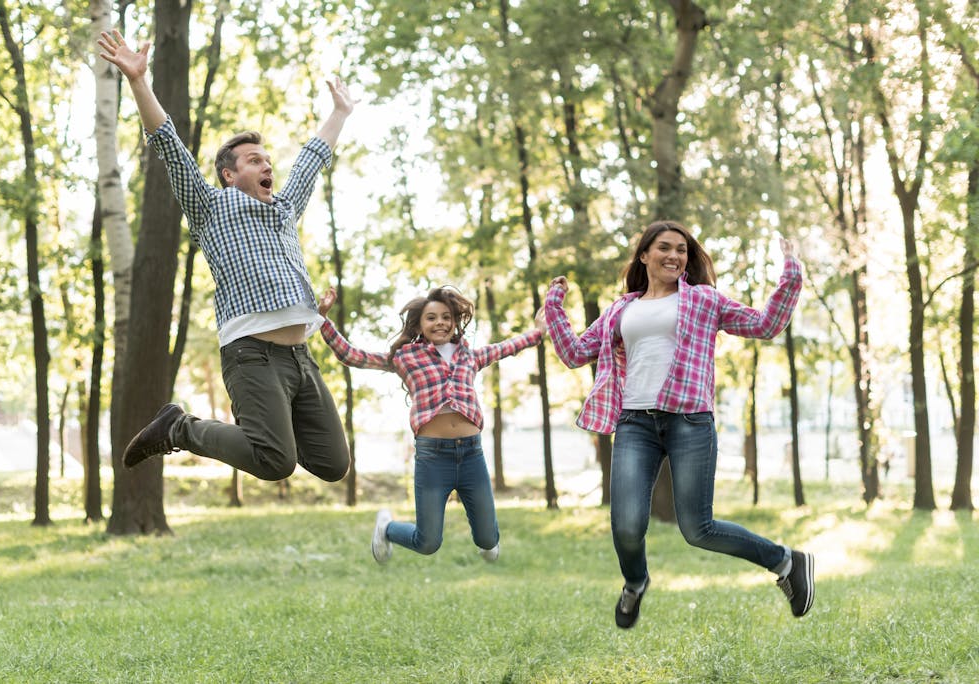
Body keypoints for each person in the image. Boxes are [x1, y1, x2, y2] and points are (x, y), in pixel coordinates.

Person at [97, 30, 353, 483]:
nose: (267, 166)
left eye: (268, 160)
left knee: (333, 464)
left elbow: (313, 158)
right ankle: (179, 427)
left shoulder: (284, 208)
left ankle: (271, 431)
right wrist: (138, 81)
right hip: (251, 353)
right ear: (229, 174)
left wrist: (339, 112)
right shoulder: (211, 207)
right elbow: (170, 147)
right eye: (254, 160)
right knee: (276, 462)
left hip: (300, 357)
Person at [543, 220, 814, 629]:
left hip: (689, 420)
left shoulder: (705, 299)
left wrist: (791, 271)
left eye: (682, 250)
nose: (674, 256)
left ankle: (787, 561)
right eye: (665, 248)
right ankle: (635, 583)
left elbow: (765, 325)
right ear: (644, 255)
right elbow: (576, 352)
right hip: (635, 422)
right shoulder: (621, 308)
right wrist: (554, 307)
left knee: (698, 528)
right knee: (627, 525)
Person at [317, 286, 545, 563]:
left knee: (488, 540)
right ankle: (387, 528)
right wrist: (324, 320)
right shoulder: (406, 357)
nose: (440, 323)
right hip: (433, 457)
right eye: (432, 318)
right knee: (427, 543)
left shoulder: (469, 355)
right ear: (419, 325)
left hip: (472, 454)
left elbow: (505, 348)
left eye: (446, 317)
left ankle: (488, 539)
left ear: (455, 321)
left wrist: (537, 333)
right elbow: (354, 356)